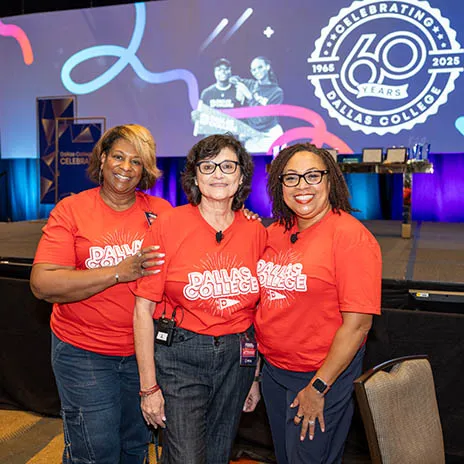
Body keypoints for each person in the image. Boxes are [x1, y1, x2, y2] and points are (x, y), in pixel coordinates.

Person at [30, 124, 172, 464]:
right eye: (119, 157)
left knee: (134, 448)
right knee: (95, 453)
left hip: (144, 356)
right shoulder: (72, 210)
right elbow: (41, 283)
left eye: (136, 162)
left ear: (146, 169)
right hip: (84, 352)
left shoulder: (162, 212)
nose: (126, 168)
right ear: (103, 159)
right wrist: (118, 272)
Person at [132, 134, 267, 464]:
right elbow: (142, 310)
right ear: (194, 175)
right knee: (187, 457)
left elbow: (260, 312)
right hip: (182, 355)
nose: (218, 173)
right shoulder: (168, 225)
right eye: (208, 166)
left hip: (238, 358)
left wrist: (256, 377)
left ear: (241, 175)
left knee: (219, 455)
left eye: (227, 165)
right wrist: (148, 388)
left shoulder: (256, 230)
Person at [255, 143, 382, 464]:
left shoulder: (351, 238)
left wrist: (318, 387)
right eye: (292, 178)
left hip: (320, 376)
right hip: (274, 373)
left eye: (312, 176)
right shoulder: (276, 232)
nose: (302, 186)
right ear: (278, 185)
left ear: (330, 181)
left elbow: (358, 325)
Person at [233, 56, 284, 153]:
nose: (257, 71)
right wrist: (238, 86)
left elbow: (264, 118)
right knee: (254, 166)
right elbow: (234, 79)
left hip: (270, 134)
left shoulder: (276, 92)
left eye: (260, 67)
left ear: (267, 67)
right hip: (253, 135)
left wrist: (249, 96)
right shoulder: (251, 84)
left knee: (272, 166)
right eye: (254, 69)